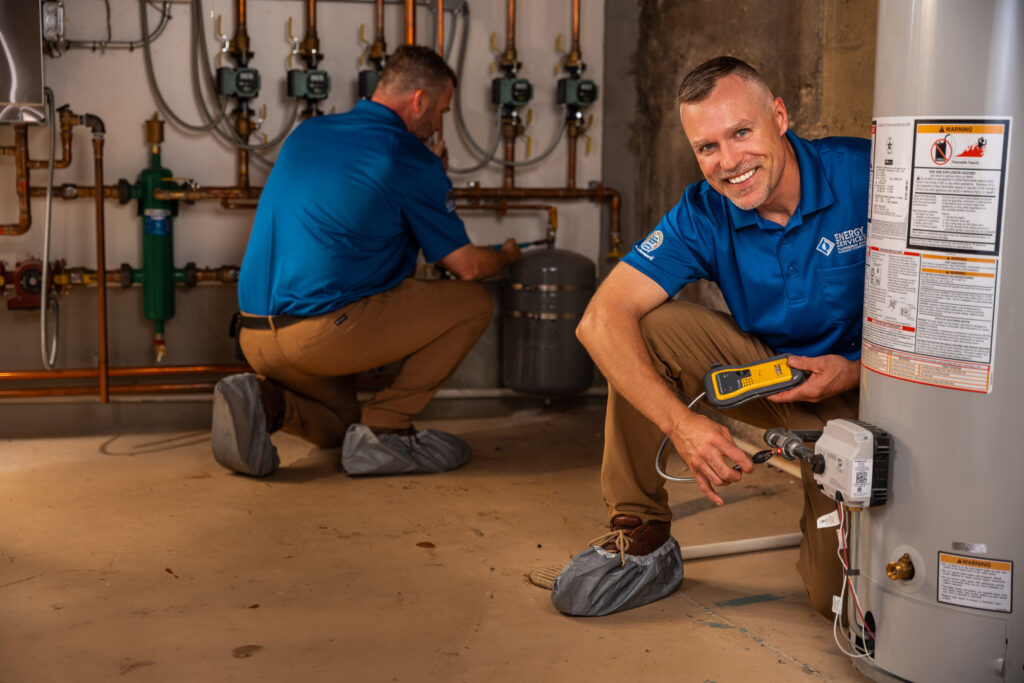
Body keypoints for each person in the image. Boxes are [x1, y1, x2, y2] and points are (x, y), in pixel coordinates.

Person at [551, 56, 869, 617]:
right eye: (708, 148)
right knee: (642, 329)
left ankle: (833, 523)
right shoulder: (704, 211)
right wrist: (683, 425)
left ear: (779, 115)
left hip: (886, 395)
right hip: (781, 382)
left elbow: (961, 302)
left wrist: (858, 370)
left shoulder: (867, 175)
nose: (730, 163)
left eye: (741, 133)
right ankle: (641, 530)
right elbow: (599, 320)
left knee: (838, 603)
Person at [212, 45, 522, 478]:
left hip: (256, 338)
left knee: (342, 426)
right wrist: (506, 255)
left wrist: (427, 178)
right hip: (320, 337)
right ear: (419, 100)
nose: (438, 125)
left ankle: (264, 402)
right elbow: (467, 266)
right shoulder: (408, 159)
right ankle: (389, 428)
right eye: (441, 111)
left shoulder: (308, 133)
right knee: (473, 303)